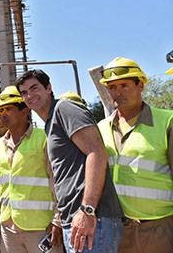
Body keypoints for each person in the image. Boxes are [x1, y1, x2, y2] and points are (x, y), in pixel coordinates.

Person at [15, 70, 124, 253]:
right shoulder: (50, 123)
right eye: (24, 93)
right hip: (75, 220)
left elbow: (96, 153)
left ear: (49, 88)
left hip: (93, 220)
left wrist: (87, 210)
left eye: (34, 88)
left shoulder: (65, 109)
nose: (29, 95)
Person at [98, 57, 173, 253]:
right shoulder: (100, 129)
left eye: (124, 85)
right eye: (112, 87)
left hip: (161, 228)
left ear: (141, 85)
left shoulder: (167, 121)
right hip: (119, 230)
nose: (118, 92)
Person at [0, 86, 62, 253]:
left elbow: (57, 181)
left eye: (9, 109)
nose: (3, 114)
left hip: (41, 227)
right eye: (2, 109)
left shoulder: (43, 139)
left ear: (25, 110)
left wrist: (57, 220)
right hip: (8, 228)